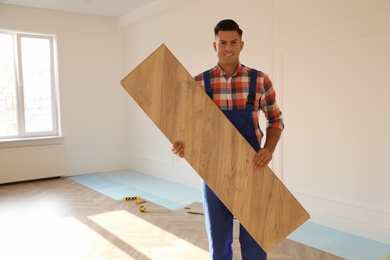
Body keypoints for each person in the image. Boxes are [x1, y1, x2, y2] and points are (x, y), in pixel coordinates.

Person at [171, 19, 284, 260]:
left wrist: (268, 149)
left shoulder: (259, 80)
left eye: (233, 42)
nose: (228, 47)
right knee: (219, 236)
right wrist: (183, 146)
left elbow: (275, 120)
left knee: (255, 237)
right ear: (215, 46)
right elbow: (187, 129)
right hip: (213, 169)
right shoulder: (199, 83)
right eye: (223, 42)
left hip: (252, 167)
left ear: (242, 45)